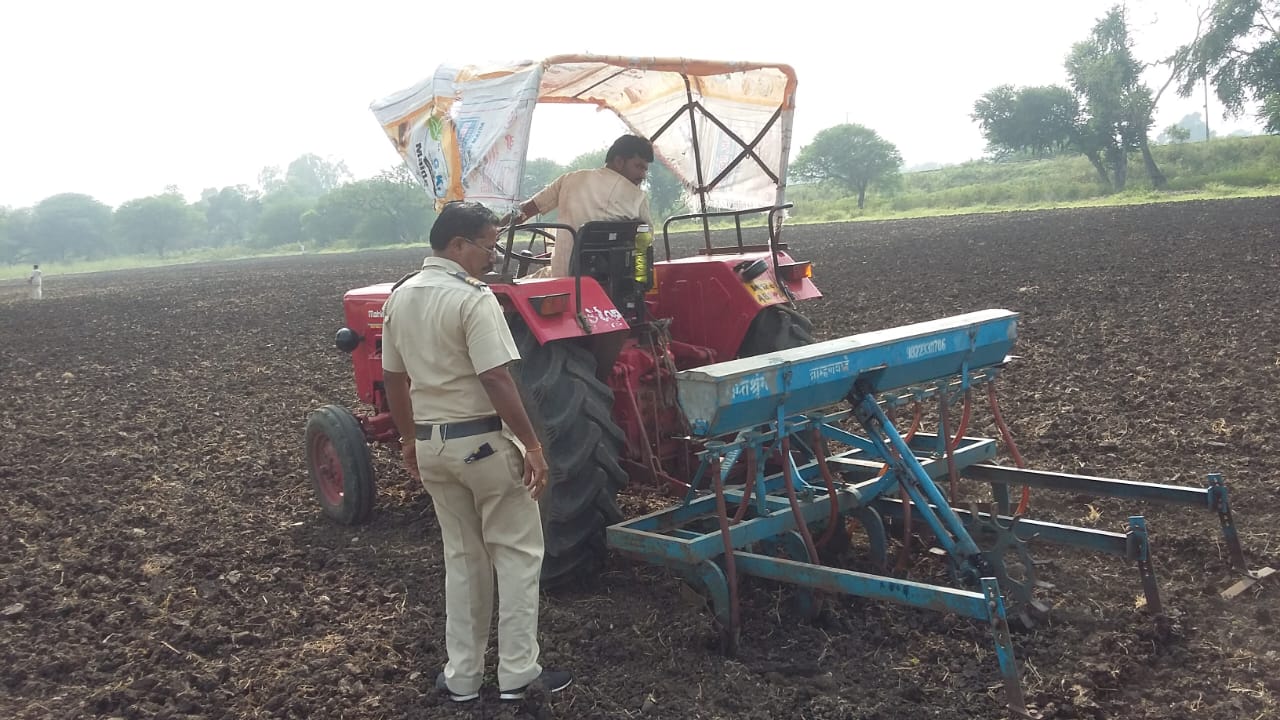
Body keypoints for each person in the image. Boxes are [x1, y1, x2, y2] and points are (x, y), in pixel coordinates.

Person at [380, 201, 572, 704]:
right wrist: (532, 443)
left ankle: (462, 678)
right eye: (488, 245)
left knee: (463, 560)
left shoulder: (399, 298)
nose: (492, 256)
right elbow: (495, 376)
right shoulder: (473, 298)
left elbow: (393, 379)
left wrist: (406, 438)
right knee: (516, 555)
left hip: (433, 446)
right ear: (458, 245)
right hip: (484, 445)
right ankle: (517, 675)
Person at [506, 134, 653, 278]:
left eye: (645, 169)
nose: (643, 175)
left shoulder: (570, 179)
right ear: (619, 161)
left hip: (563, 281)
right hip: (615, 286)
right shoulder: (639, 198)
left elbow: (525, 210)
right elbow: (646, 243)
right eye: (639, 167)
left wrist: (496, 227)